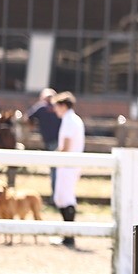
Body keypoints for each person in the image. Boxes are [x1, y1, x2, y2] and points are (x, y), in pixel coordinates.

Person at [51, 92, 84, 248]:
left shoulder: (69, 121)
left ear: (63, 106)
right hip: (71, 164)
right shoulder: (73, 119)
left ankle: (69, 236)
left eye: (57, 107)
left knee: (65, 197)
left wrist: (55, 157)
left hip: (67, 164)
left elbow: (66, 145)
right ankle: (67, 234)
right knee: (63, 197)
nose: (55, 110)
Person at [26, 88, 62, 198]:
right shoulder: (58, 108)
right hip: (60, 141)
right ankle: (57, 195)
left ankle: (55, 196)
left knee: (54, 169)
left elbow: (28, 117)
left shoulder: (41, 107)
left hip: (51, 142)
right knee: (58, 169)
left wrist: (32, 126)